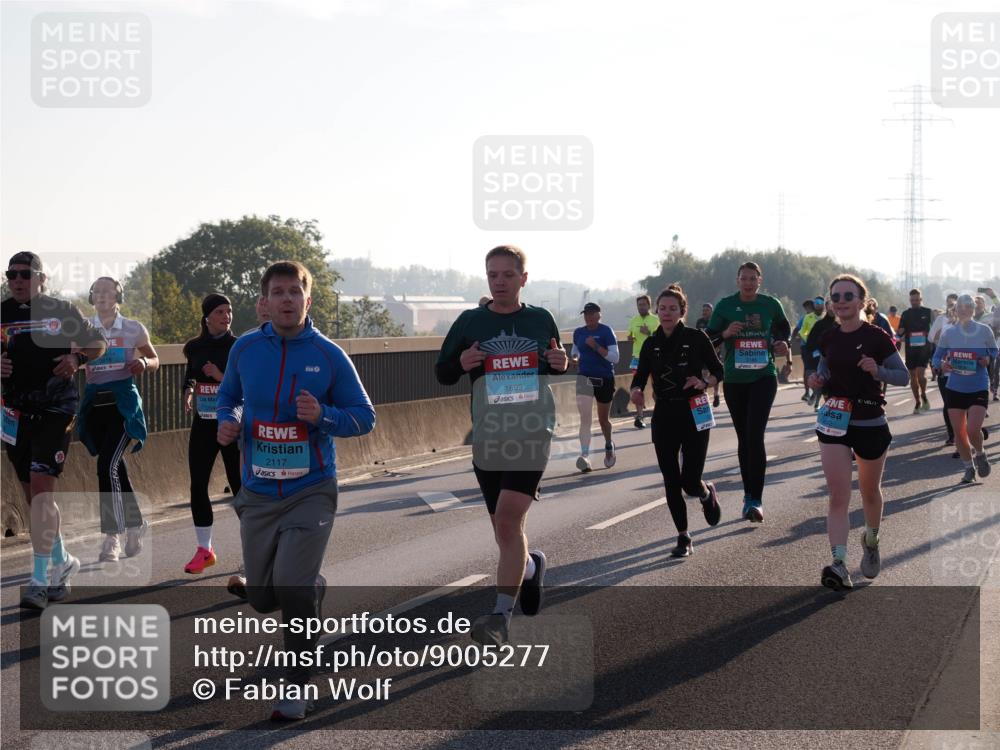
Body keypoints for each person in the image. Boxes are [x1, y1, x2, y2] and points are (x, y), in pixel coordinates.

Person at [217, 260, 375, 721]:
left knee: (291, 587)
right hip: (258, 492)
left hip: (312, 488)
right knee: (265, 599)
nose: (287, 299)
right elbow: (230, 397)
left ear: (309, 300)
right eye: (278, 292)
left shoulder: (328, 355)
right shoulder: (245, 349)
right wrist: (230, 420)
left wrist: (322, 415)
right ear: (265, 301)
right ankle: (309, 590)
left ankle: (296, 689)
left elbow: (364, 416)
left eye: (295, 292)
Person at [435, 245, 568, 648]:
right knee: (504, 531)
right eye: (492, 274)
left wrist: (562, 361)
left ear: (523, 278)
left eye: (507, 275)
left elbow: (554, 360)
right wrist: (464, 361)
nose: (499, 281)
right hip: (489, 436)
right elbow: (442, 373)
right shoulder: (470, 322)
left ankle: (499, 617)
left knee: (509, 520)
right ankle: (529, 567)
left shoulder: (540, 318)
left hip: (531, 431)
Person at [2, 252, 107, 610]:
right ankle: (62, 561)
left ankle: (38, 580)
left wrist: (76, 359)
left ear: (41, 278)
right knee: (33, 496)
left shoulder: (60, 310)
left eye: (25, 274)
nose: (17, 279)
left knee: (43, 489)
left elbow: (98, 344)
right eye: (11, 274)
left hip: (56, 409)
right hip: (15, 412)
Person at [808, 274, 908, 591]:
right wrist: (816, 379)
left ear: (861, 301)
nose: (840, 301)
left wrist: (877, 370)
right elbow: (823, 367)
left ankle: (872, 539)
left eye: (847, 296)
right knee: (839, 495)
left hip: (870, 421)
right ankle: (839, 564)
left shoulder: (877, 337)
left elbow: (903, 377)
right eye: (835, 296)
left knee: (869, 492)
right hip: (835, 423)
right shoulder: (828, 335)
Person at [630, 284, 724, 557]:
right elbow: (639, 376)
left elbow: (719, 370)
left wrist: (704, 381)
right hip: (664, 414)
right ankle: (683, 537)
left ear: (683, 311)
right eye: (662, 309)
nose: (667, 313)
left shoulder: (696, 338)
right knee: (671, 479)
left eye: (673, 309)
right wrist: (637, 391)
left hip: (695, 411)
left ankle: (706, 494)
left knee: (689, 482)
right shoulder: (651, 344)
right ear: (657, 312)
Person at [77, 277, 157, 562]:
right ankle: (136, 524)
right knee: (115, 467)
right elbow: (71, 358)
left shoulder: (134, 328)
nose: (102, 295)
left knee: (105, 465)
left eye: (108, 291)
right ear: (91, 297)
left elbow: (155, 357)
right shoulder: (83, 329)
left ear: (118, 296)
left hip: (123, 405)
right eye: (97, 291)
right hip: (96, 405)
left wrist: (145, 363)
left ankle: (113, 536)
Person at [706, 261, 791, 522]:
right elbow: (708, 340)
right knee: (744, 439)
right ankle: (747, 496)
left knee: (755, 435)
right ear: (737, 280)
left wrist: (781, 343)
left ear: (759, 281)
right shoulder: (725, 306)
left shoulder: (770, 304)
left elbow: (783, 329)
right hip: (735, 379)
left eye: (752, 279)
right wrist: (725, 332)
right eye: (744, 278)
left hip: (763, 377)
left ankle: (756, 500)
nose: (748, 283)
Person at [181, 293, 243, 575]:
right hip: (204, 423)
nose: (226, 316)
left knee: (240, 486)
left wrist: (220, 376)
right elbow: (190, 375)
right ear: (207, 317)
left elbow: (245, 385)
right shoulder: (194, 347)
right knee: (198, 485)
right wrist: (189, 391)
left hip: (232, 424)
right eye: (220, 312)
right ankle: (204, 549)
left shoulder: (239, 346)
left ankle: (254, 547)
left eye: (228, 312)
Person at [932, 294, 998, 484]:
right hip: (955, 387)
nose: (964, 310)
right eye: (960, 307)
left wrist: (987, 359)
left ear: (973, 309)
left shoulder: (984, 330)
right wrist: (941, 366)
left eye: (968, 306)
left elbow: (994, 351)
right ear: (956, 310)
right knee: (959, 432)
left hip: (978, 386)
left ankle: (980, 453)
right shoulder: (949, 333)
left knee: (972, 429)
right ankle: (968, 468)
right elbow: (937, 357)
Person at [572, 302, 619, 471]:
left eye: (592, 313)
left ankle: (608, 445)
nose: (589, 317)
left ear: (599, 315)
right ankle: (585, 456)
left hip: (604, 379)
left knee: (603, 419)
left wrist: (597, 347)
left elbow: (615, 358)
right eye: (586, 314)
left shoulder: (606, 331)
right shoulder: (578, 332)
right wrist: (575, 359)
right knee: (585, 418)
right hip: (584, 377)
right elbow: (575, 351)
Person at [896, 289, 933, 414]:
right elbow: (900, 331)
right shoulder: (906, 314)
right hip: (910, 349)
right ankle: (917, 401)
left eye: (917, 300)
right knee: (913, 376)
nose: (914, 302)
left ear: (921, 299)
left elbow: (934, 329)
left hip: (924, 348)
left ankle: (923, 394)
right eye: (912, 300)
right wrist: (899, 332)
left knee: (920, 374)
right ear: (909, 300)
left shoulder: (928, 312)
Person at [930, 295, 959, 449]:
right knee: (949, 404)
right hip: (944, 370)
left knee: (962, 404)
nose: (953, 313)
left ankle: (963, 434)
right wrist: (940, 338)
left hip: (962, 371)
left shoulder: (967, 324)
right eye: (951, 309)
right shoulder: (941, 320)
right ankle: (952, 435)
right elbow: (930, 337)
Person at [626, 295, 659, 427]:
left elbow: (661, 339)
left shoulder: (656, 320)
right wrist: (630, 338)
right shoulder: (634, 320)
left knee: (657, 386)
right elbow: (631, 335)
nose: (641, 307)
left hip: (654, 357)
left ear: (649, 306)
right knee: (637, 388)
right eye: (639, 305)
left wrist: (649, 333)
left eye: (644, 304)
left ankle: (660, 413)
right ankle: (639, 417)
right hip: (637, 358)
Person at [695, 302, 722, 407]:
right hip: (703, 351)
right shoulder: (699, 322)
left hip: (715, 350)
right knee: (704, 373)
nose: (704, 312)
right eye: (703, 310)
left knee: (715, 372)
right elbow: (698, 335)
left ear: (711, 311)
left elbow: (721, 335)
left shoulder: (715, 322)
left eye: (706, 310)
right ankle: (704, 395)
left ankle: (716, 394)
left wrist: (718, 345)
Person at [793, 299, 818, 403]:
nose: (807, 310)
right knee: (808, 369)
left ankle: (815, 392)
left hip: (817, 347)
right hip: (806, 347)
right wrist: (793, 339)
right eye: (806, 308)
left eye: (808, 308)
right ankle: (808, 392)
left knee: (816, 369)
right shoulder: (804, 318)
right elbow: (796, 329)